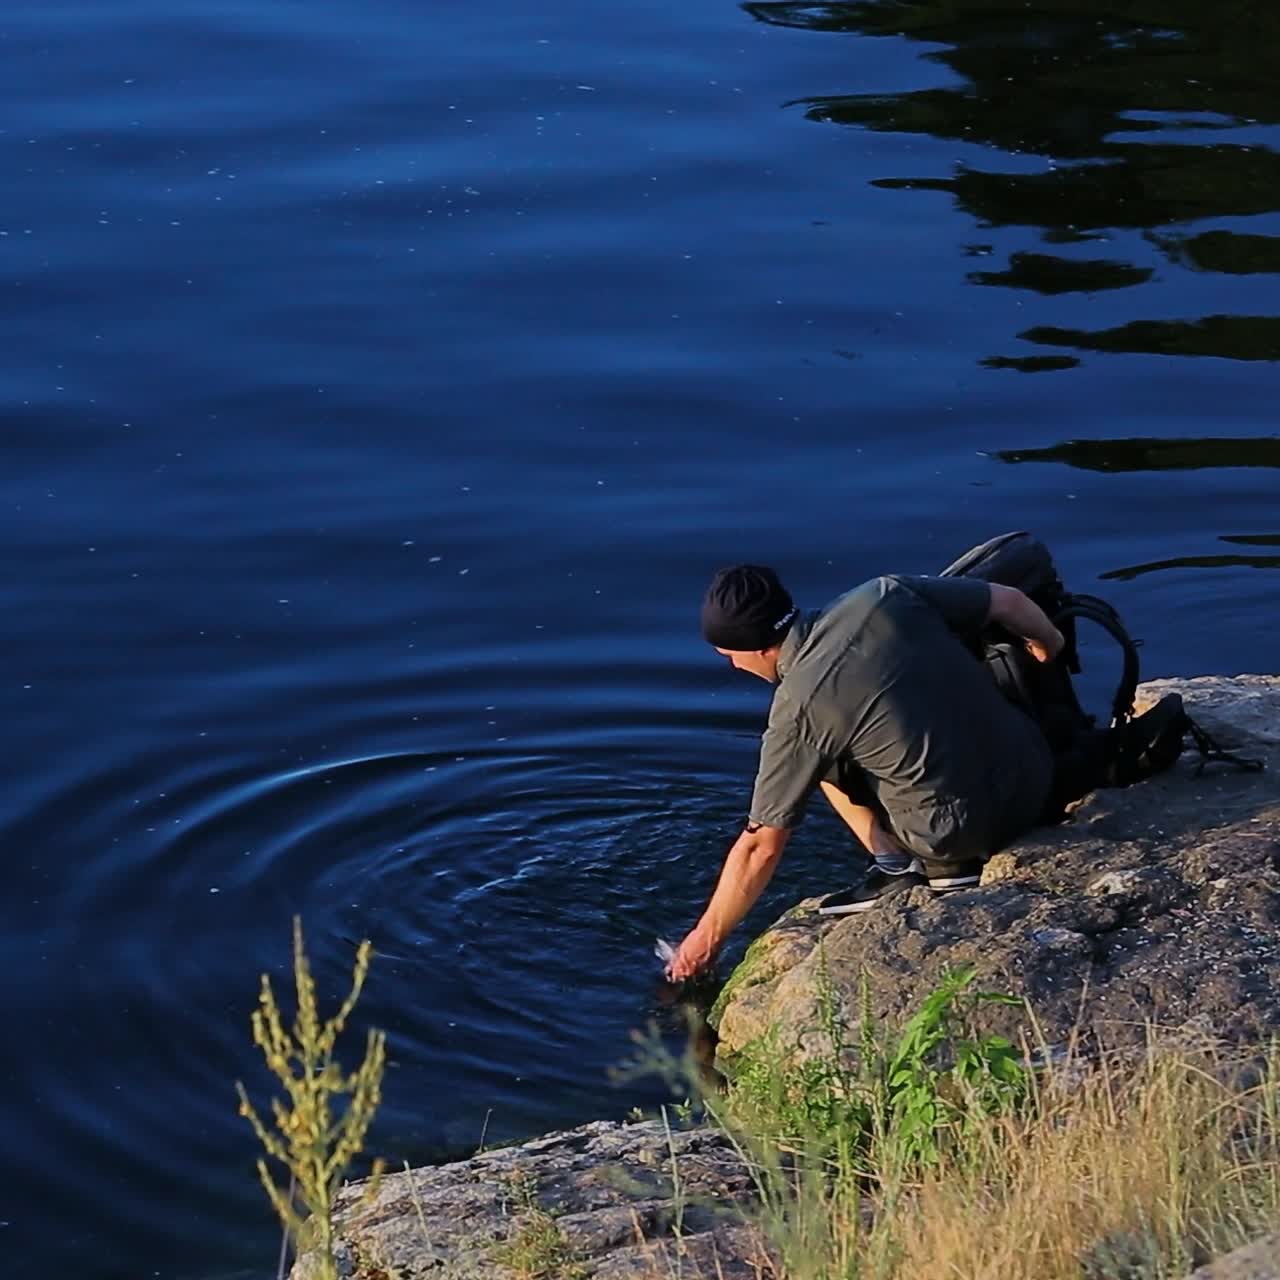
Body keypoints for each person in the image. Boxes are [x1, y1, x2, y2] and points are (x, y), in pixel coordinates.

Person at [665, 564, 1067, 982]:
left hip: (958, 834)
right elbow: (1010, 601)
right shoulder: (884, 594)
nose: (732, 666)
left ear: (758, 648)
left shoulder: (798, 708)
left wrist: (702, 942)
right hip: (1033, 773)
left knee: (813, 759)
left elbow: (760, 847)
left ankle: (901, 867)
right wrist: (1049, 648)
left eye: (730, 655)